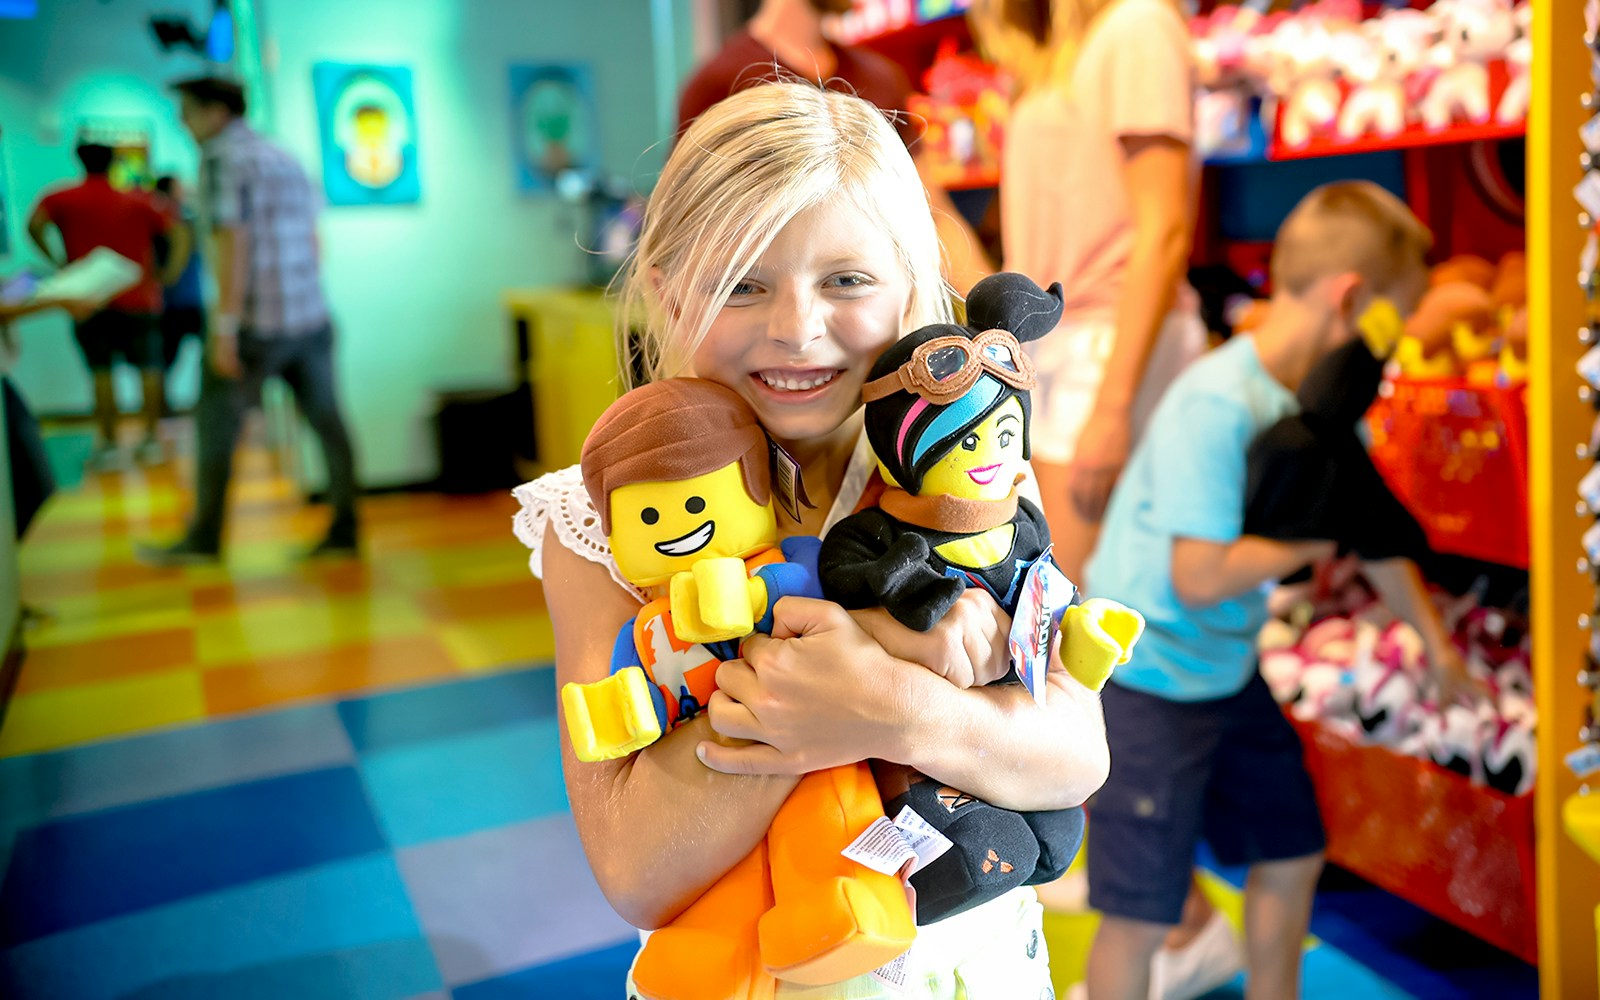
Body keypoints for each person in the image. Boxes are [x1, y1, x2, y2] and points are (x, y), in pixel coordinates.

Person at [514, 82, 1111, 997]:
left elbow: (1077, 752)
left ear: (912, 285)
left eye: (846, 279)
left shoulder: (965, 470)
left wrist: (899, 712)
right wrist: (831, 706)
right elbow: (634, 868)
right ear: (669, 296)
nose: (796, 327)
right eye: (741, 282)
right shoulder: (600, 524)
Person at [1080, 182, 1477, 1000]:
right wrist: (1308, 541)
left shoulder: (1320, 410)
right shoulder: (1217, 402)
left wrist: (1435, 646)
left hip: (1224, 673)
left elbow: (1365, 532)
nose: (1393, 349)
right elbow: (1197, 577)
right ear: (1353, 302)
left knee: (1292, 852)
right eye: (1391, 328)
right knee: (1140, 915)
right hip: (1148, 679)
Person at [968, 0, 1206, 585]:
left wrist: (1112, 406)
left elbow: (1166, 230)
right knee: (1048, 585)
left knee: (1060, 589)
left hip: (1110, 341)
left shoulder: (1137, 27)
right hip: (1057, 340)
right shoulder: (1057, 54)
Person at [139, 76, 360, 565]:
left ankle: (203, 539)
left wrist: (223, 327)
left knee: (216, 426)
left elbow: (230, 242)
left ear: (217, 112)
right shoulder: (284, 155)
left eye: (189, 111)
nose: (183, 121)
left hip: (255, 326)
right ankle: (346, 529)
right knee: (329, 425)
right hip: (309, 316)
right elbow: (314, 239)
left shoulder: (221, 159)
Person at [677, 0, 995, 294]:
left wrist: (996, 314)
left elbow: (932, 214)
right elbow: (694, 241)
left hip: (877, 321)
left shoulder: (880, 78)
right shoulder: (721, 86)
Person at [27, 142, 176, 468]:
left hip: (89, 298)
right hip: (138, 297)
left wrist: (59, 264)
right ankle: (151, 439)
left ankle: (108, 444)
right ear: (113, 163)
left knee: (101, 371)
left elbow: (33, 225)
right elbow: (178, 230)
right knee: (149, 369)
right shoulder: (139, 199)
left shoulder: (61, 197)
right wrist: (168, 273)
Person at [153, 175, 206, 399]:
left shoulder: (186, 218)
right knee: (165, 360)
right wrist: (168, 277)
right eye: (180, 189)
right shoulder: (168, 221)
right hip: (174, 300)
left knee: (168, 360)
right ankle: (162, 405)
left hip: (189, 298)